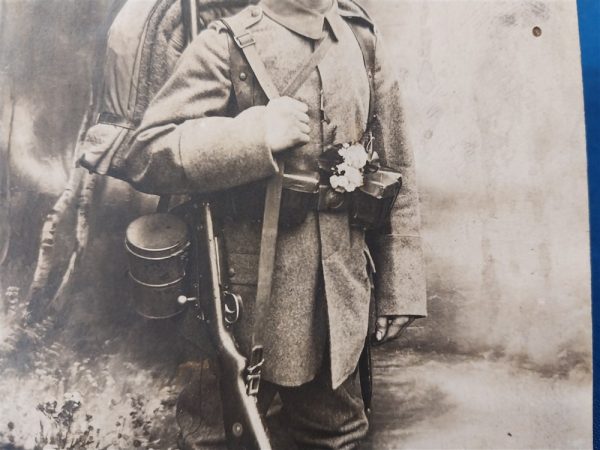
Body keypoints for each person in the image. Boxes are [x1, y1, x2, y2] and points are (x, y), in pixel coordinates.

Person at [118, 0, 427, 448]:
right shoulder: (225, 44)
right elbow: (148, 153)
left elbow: (397, 167)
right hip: (243, 305)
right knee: (216, 437)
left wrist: (400, 284)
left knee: (338, 437)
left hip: (338, 300)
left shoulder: (361, 39)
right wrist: (253, 135)